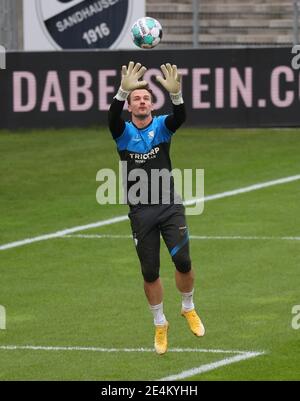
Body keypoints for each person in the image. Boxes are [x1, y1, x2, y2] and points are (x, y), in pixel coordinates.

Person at [108, 61, 205, 355]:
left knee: (183, 261)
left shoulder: (162, 127)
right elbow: (111, 117)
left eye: (146, 98)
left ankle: (188, 307)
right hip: (141, 212)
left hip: (169, 205)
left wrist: (177, 96)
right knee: (150, 272)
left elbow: (181, 117)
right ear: (130, 105)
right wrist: (121, 91)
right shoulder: (122, 132)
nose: (141, 102)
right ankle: (160, 323)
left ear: (152, 104)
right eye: (136, 98)